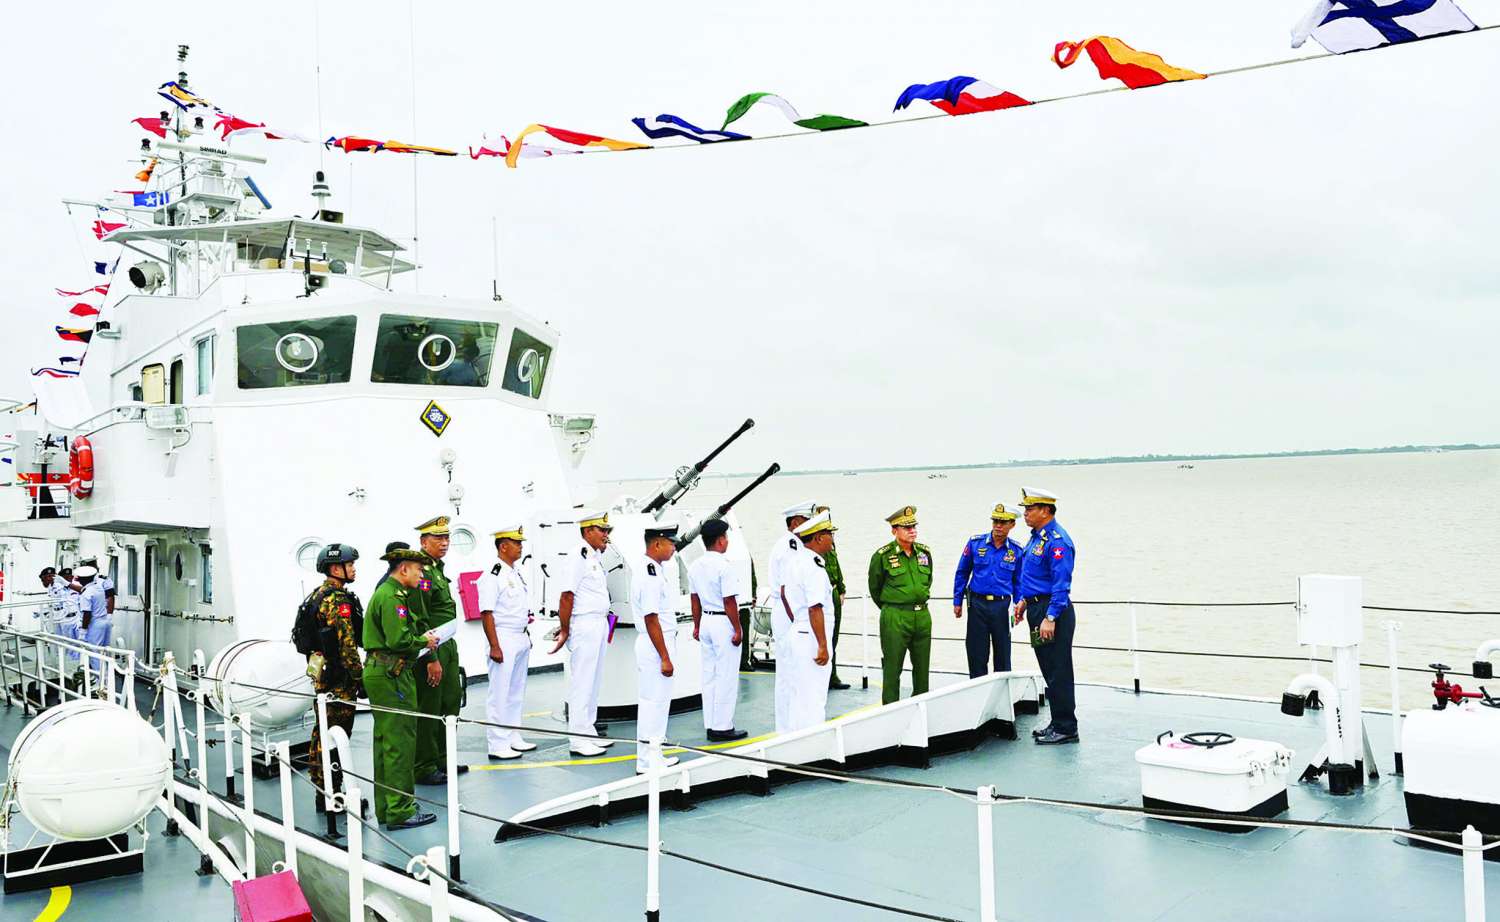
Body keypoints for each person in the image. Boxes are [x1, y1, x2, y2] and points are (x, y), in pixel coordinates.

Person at [362, 547, 439, 829]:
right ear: (404, 569)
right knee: (400, 743)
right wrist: (424, 641)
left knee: (386, 742)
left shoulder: (388, 593)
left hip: (382, 672)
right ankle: (401, 810)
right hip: (392, 675)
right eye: (418, 570)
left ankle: (387, 807)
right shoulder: (393, 597)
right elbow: (399, 640)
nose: (422, 575)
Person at [1012, 487, 1079, 745]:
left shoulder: (1057, 541)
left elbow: (1061, 583)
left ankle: (1067, 728)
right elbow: (1034, 577)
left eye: (1030, 509)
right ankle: (1057, 721)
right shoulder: (1036, 538)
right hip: (1037, 609)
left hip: (1053, 612)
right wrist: (1024, 601)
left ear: (1045, 510)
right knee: (1049, 669)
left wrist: (1050, 617)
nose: (1025, 513)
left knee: (1059, 670)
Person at [549, 510, 614, 756]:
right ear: (588, 531)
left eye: (607, 531)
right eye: (602, 530)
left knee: (593, 682)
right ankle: (577, 740)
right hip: (584, 624)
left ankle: (588, 731)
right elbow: (567, 596)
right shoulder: (578, 555)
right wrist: (565, 629)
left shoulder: (593, 557)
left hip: (598, 623)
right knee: (582, 683)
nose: (606, 535)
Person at [305, 543, 364, 803]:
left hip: (323, 675)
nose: (354, 569)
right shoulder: (337, 600)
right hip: (339, 679)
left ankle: (322, 788)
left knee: (322, 731)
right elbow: (347, 645)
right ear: (335, 569)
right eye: (349, 564)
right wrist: (360, 678)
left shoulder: (318, 594)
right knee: (337, 733)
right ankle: (333, 791)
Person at [409, 516, 463, 785]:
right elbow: (419, 617)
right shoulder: (423, 573)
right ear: (423, 542)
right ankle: (424, 766)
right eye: (438, 538)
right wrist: (431, 658)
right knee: (430, 706)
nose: (444, 543)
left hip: (447, 643)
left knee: (450, 701)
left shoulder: (437, 570)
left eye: (446, 537)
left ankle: (443, 758)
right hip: (432, 648)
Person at [477, 525, 537, 760]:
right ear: (503, 546)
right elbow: (487, 613)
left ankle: (513, 735)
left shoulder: (514, 573)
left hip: (519, 636)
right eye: (516, 543)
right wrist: (494, 645)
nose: (521, 546)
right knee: (500, 693)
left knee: (515, 691)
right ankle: (497, 743)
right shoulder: (492, 576)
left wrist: (526, 636)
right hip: (502, 637)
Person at [868, 506, 934, 705]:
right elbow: (875, 588)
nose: (912, 530)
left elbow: (928, 581)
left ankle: (920, 707)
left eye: (914, 526)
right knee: (892, 666)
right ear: (894, 530)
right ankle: (890, 710)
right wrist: (892, 607)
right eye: (907, 527)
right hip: (895, 616)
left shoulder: (924, 553)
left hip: (922, 615)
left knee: (922, 668)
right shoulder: (882, 556)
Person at [689, 519, 747, 742]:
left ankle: (711, 724)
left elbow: (695, 600)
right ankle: (723, 727)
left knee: (709, 675)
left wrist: (696, 625)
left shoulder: (695, 565)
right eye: (726, 537)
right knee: (726, 676)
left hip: (706, 621)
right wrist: (737, 628)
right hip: (723, 622)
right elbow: (729, 601)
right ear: (721, 540)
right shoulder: (724, 566)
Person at [633, 522, 682, 773]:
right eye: (671, 543)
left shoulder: (653, 569)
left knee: (658, 702)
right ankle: (647, 760)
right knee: (653, 702)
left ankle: (655, 754)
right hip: (655, 645)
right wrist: (665, 656)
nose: (674, 547)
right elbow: (651, 618)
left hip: (656, 642)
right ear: (657, 543)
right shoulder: (649, 573)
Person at [953, 504, 1024, 678]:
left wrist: (1019, 606)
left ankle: (1001, 691)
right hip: (977, 605)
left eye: (1003, 522)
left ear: (1012, 525)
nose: (998, 526)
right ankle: (978, 689)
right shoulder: (975, 543)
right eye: (995, 521)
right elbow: (962, 572)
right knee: (976, 653)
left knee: (1003, 654)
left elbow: (1019, 582)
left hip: (1002, 606)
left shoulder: (1017, 550)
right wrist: (957, 601)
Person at [783, 511, 836, 730]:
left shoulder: (796, 561)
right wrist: (822, 645)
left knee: (799, 694)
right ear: (818, 538)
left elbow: (784, 594)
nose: (832, 538)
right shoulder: (813, 567)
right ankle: (814, 743)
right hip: (812, 637)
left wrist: (799, 622)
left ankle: (795, 739)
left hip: (799, 631)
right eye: (830, 534)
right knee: (814, 695)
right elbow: (815, 608)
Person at [769, 501, 815, 732]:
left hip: (791, 611)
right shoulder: (790, 546)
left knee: (794, 669)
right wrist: (798, 620)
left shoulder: (795, 544)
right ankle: (787, 728)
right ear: (796, 522)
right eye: (808, 520)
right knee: (789, 671)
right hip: (788, 612)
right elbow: (787, 589)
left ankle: (793, 725)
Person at [821, 509, 850, 691]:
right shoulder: (813, 545)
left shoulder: (830, 544)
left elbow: (836, 566)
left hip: (834, 592)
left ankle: (832, 675)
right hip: (822, 593)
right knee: (823, 636)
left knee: (834, 637)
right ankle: (824, 676)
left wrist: (841, 588)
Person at [74, 565, 111, 695]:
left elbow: (87, 614)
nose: (78, 579)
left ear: (82, 580)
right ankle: (106, 682)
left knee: (95, 654)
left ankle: (101, 685)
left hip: (95, 625)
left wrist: (83, 631)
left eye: (79, 578)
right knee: (104, 653)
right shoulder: (98, 588)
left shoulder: (86, 593)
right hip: (105, 622)